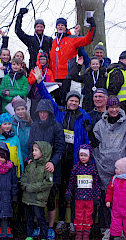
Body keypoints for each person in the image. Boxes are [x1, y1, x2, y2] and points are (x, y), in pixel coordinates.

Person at [35, 79, 91, 235]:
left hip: (75, 160)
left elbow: (87, 139)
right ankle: (60, 221)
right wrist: (40, 82)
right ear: (67, 101)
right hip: (59, 159)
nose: (73, 102)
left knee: (73, 191)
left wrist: (86, 159)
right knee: (59, 190)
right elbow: (47, 98)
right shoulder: (59, 112)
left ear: (79, 102)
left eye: (76, 100)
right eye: (71, 100)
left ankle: (72, 222)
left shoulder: (84, 116)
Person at [90, 96, 126, 240]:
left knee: (123, 202)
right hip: (104, 168)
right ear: (107, 108)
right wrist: (90, 133)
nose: (114, 109)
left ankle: (125, 231)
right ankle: (108, 228)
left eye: (116, 107)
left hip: (122, 170)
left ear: (119, 108)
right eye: (111, 107)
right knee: (106, 200)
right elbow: (96, 144)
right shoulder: (100, 125)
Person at [26, 99, 65, 238]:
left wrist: (53, 162)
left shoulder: (57, 126)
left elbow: (60, 148)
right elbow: (30, 144)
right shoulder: (35, 126)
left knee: (50, 199)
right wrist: (30, 157)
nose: (43, 114)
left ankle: (50, 227)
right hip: (36, 168)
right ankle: (38, 226)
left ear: (49, 112)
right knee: (36, 199)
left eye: (45, 112)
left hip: (51, 168)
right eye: (40, 112)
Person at [49, 17, 96, 105]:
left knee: (65, 102)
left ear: (66, 27)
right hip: (53, 78)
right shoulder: (53, 42)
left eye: (62, 25)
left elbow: (87, 39)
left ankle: (65, 118)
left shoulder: (72, 39)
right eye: (58, 25)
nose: (60, 27)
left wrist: (92, 26)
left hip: (66, 77)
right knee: (55, 103)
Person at [65, 144, 100, 240]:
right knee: (78, 214)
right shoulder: (76, 168)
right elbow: (71, 181)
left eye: (85, 155)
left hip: (90, 197)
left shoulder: (93, 168)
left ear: (89, 156)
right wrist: (68, 192)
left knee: (88, 214)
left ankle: (86, 232)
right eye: (81, 155)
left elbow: (96, 183)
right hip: (78, 197)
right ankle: (79, 231)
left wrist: (97, 196)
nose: (83, 158)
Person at [21, 141, 54, 240]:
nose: (33, 152)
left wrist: (32, 187)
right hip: (28, 198)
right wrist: (25, 185)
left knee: (40, 219)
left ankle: (44, 236)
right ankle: (29, 236)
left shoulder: (46, 167)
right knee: (29, 219)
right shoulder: (30, 165)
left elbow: (48, 182)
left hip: (39, 199)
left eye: (36, 150)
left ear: (43, 152)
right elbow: (23, 177)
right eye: (33, 150)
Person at [0, 113, 24, 177]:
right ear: (0, 125)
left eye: (9, 124)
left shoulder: (15, 138)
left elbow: (19, 156)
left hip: (12, 170)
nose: (7, 126)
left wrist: (20, 171)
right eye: (5, 124)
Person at [27, 52, 54, 118]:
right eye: (41, 59)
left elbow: (52, 83)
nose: (42, 61)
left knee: (44, 111)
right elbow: (30, 81)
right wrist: (36, 77)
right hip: (35, 95)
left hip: (44, 95)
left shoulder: (49, 71)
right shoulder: (34, 70)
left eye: (44, 59)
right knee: (34, 112)